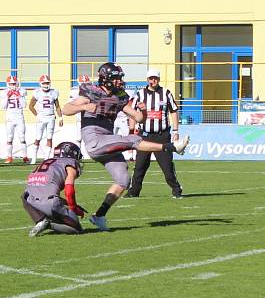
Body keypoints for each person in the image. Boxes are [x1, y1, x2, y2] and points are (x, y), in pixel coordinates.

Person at [61, 62, 190, 231]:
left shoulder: (119, 96)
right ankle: (173, 147)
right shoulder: (91, 92)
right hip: (94, 140)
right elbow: (66, 109)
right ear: (106, 79)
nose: (119, 81)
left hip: (107, 141)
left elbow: (138, 118)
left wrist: (143, 112)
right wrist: (84, 106)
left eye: (120, 78)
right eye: (116, 78)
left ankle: (99, 216)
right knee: (132, 139)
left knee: (123, 180)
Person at [126, 69, 184, 199]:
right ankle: (133, 192)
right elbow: (132, 114)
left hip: (161, 135)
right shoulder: (140, 94)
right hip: (144, 135)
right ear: (147, 80)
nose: (153, 81)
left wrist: (175, 130)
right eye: (151, 78)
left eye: (155, 78)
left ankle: (176, 189)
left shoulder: (166, 93)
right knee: (140, 166)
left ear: (159, 79)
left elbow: (173, 111)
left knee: (167, 166)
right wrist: (131, 131)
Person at [22, 141, 86, 236]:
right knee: (76, 229)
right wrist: (74, 208)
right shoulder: (70, 164)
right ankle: (48, 224)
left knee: (25, 195)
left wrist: (67, 203)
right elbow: (69, 191)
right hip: (49, 204)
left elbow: (40, 189)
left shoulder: (45, 162)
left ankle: (41, 220)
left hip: (28, 201)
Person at [28, 75, 63, 164]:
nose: (46, 84)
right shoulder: (37, 92)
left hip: (51, 117)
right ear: (40, 83)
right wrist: (37, 115)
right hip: (41, 117)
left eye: (47, 82)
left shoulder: (54, 92)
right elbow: (30, 106)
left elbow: (57, 106)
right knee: (38, 138)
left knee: (49, 138)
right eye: (44, 83)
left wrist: (60, 118)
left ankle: (46, 159)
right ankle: (34, 159)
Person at [3, 75, 28, 163]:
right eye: (11, 84)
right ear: (8, 84)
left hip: (19, 117)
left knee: (22, 137)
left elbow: (24, 105)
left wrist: (19, 96)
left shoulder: (21, 91)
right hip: (10, 117)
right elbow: (2, 106)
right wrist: (7, 97)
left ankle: (25, 157)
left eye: (14, 83)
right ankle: (9, 157)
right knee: (9, 138)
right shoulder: (4, 92)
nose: (13, 85)